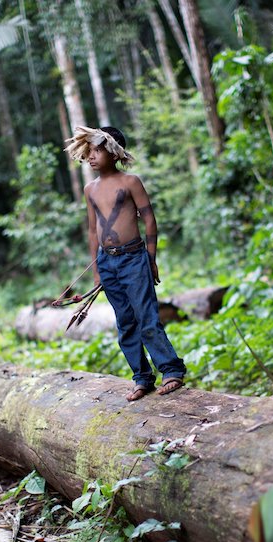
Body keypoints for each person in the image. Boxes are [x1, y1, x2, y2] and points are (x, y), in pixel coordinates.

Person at [64, 126, 186, 401]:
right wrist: (97, 270)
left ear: (114, 152)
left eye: (97, 150)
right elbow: (93, 230)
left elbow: (150, 220)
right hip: (108, 263)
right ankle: (142, 378)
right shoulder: (90, 189)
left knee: (147, 317)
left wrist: (151, 259)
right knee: (125, 322)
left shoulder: (131, 182)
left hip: (133, 258)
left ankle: (171, 370)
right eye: (90, 152)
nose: (92, 157)